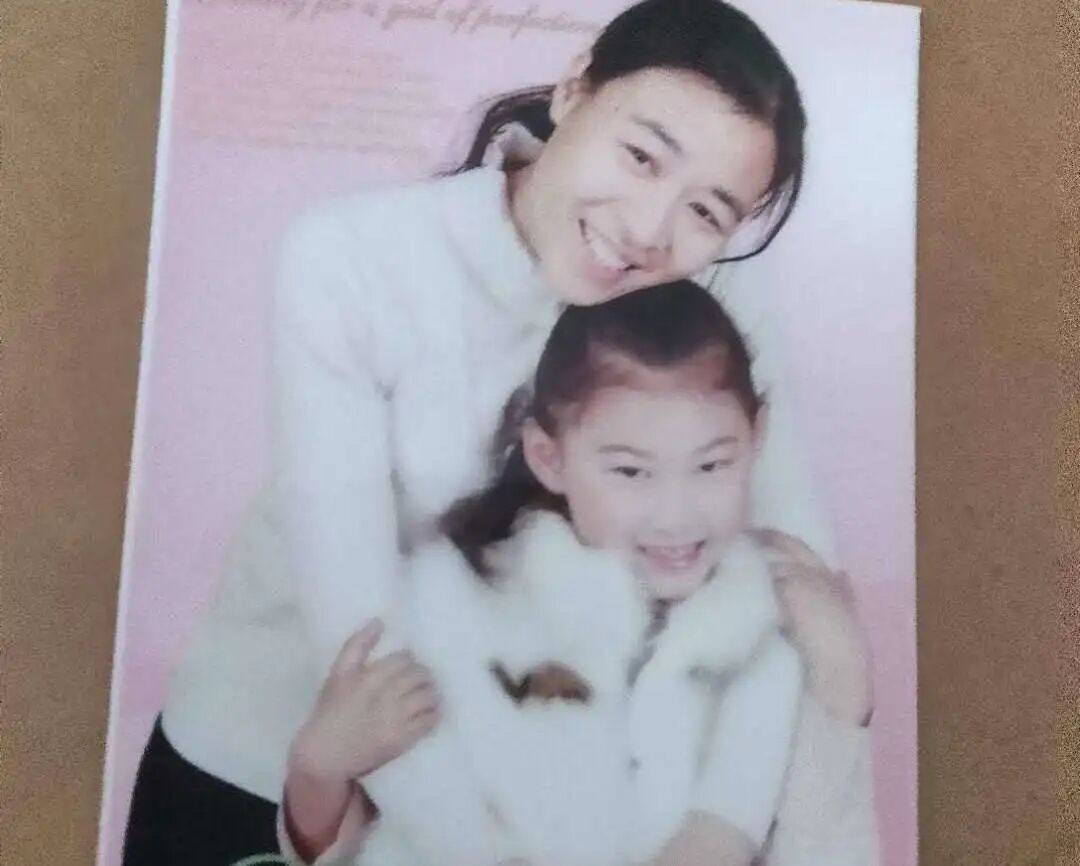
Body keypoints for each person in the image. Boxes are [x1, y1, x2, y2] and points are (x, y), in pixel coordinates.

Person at [122, 2, 869, 864]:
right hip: (264, 773)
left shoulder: (721, 300)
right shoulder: (354, 258)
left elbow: (800, 597)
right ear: (575, 86)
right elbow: (362, 650)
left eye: (707, 212)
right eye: (640, 156)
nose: (647, 230)